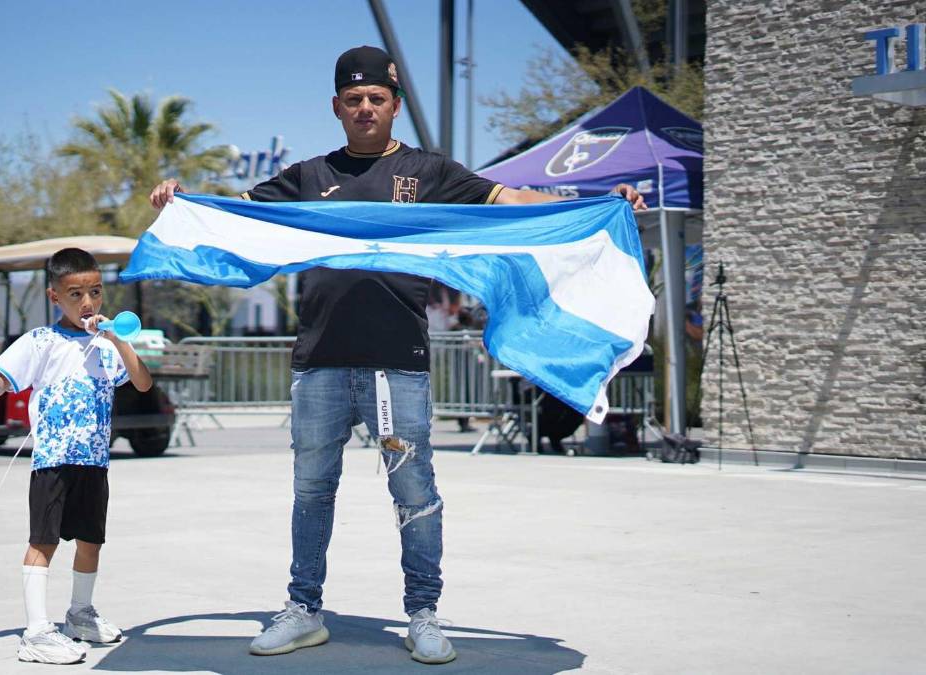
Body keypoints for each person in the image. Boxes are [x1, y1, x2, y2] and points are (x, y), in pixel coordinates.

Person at [149, 45, 645, 665]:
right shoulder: (307, 177)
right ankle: (304, 610)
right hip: (320, 362)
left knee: (414, 491)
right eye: (352, 99)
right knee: (311, 491)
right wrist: (183, 201)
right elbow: (238, 216)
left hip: (399, 363)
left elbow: (513, 201)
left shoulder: (430, 174)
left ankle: (424, 615)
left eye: (375, 99)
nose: (364, 108)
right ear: (336, 106)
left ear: (394, 104)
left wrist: (595, 199)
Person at [0, 247, 154, 665]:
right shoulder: (40, 342)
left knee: (91, 542)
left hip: (95, 462)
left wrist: (119, 340)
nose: (88, 303)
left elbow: (143, 383)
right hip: (53, 461)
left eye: (95, 292)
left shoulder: (108, 347)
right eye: (76, 294)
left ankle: (80, 614)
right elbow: (0, 386)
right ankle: (36, 632)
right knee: (43, 542)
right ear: (55, 297)